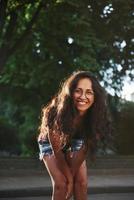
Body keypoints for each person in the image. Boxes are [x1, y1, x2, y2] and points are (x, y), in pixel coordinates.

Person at [37, 71, 112, 200]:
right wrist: (69, 180)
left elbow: (83, 151)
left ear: (95, 96)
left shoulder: (96, 118)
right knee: (62, 184)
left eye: (89, 92)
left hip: (76, 141)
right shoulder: (55, 113)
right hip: (50, 143)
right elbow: (58, 153)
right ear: (70, 92)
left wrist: (72, 177)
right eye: (78, 91)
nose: (83, 96)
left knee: (81, 183)